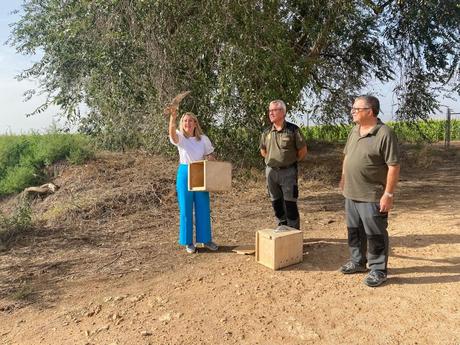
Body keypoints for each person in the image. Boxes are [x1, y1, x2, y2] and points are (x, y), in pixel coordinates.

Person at [339, 95, 400, 287]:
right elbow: (347, 156)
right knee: (354, 231)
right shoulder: (354, 131)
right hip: (351, 192)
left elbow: (393, 166)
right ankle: (358, 261)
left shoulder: (384, 133)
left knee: (375, 233)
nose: (352, 111)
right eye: (353, 108)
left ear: (370, 111)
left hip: (372, 194)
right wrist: (343, 178)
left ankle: (378, 269)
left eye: (357, 108)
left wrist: (388, 194)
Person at [168, 108, 218, 254]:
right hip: (184, 172)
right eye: (184, 121)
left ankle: (206, 240)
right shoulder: (180, 137)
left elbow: (210, 154)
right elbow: (172, 134)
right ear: (181, 124)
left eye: (190, 120)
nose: (187, 123)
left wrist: (211, 158)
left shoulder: (203, 139)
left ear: (195, 123)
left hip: (200, 171)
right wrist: (173, 117)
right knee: (186, 208)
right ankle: (188, 242)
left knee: (203, 206)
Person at [259, 100, 308, 229]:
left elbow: (302, 151)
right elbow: (263, 151)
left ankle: (293, 232)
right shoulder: (266, 132)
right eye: (269, 111)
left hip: (288, 172)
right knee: (276, 203)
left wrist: (288, 161)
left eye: (274, 110)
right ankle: (282, 228)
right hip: (271, 172)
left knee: (290, 204)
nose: (270, 113)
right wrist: (274, 160)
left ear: (282, 112)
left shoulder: (293, 130)